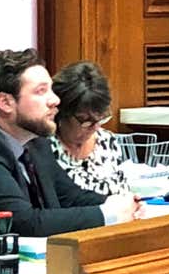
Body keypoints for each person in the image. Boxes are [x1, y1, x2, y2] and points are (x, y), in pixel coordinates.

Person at [0, 48, 142, 268]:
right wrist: (107, 214)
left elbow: (68, 197)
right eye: (41, 91)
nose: (55, 100)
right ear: (5, 102)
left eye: (51, 89)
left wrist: (124, 204)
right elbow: (23, 223)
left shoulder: (33, 140)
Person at [50, 61, 129, 196]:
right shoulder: (44, 149)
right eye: (86, 121)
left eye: (100, 119)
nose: (95, 127)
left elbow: (123, 191)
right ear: (62, 113)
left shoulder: (107, 140)